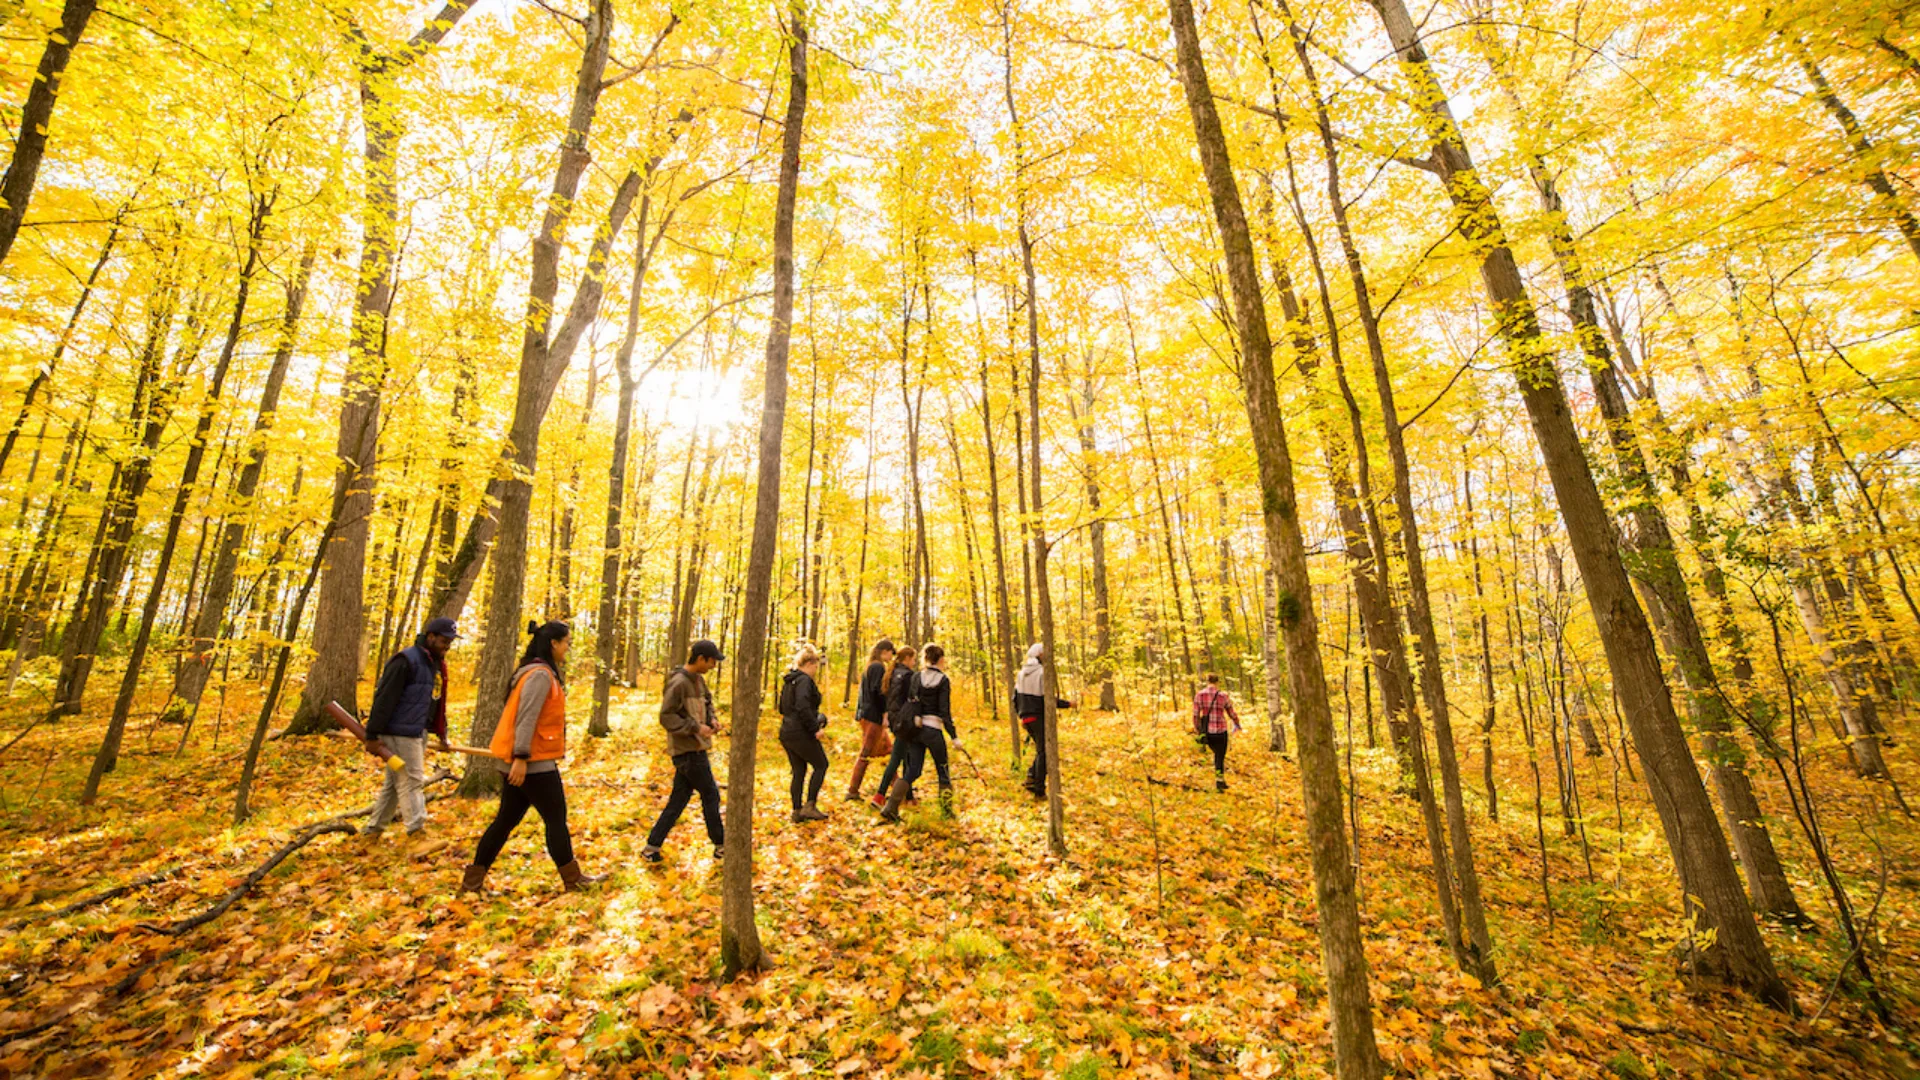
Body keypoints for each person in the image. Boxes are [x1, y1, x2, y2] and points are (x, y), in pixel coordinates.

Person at [462, 621, 602, 893]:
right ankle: (573, 880)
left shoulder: (537, 672)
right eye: (566, 643)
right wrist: (521, 758)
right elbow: (526, 718)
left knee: (505, 821)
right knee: (555, 819)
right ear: (553, 643)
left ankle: (472, 883)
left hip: (527, 760)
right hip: (533, 763)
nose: (567, 648)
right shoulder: (539, 675)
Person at [362, 616, 458, 846]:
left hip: (416, 732)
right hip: (399, 733)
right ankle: (416, 834)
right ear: (431, 637)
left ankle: (373, 831)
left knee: (395, 783)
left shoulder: (434, 664)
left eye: (451, 642)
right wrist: (372, 735)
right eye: (444, 641)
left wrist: (440, 733)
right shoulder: (406, 660)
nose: (448, 646)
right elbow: (384, 699)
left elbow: (434, 701)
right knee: (412, 780)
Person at [642, 639, 726, 863]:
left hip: (698, 748)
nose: (713, 666)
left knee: (678, 799)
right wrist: (695, 727)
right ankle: (721, 846)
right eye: (711, 662)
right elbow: (666, 716)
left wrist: (712, 720)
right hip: (686, 751)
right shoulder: (678, 683)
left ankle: (652, 846)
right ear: (700, 659)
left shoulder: (699, 681)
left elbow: (707, 703)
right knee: (711, 794)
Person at [882, 643, 958, 821]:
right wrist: (953, 736)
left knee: (913, 770)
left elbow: (911, 701)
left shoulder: (916, 677)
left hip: (916, 730)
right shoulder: (943, 680)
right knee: (943, 769)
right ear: (940, 659)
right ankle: (947, 812)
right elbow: (944, 711)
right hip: (933, 730)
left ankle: (891, 806)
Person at [779, 644, 831, 823]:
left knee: (799, 770)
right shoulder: (803, 681)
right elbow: (802, 706)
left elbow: (783, 708)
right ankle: (809, 806)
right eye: (815, 666)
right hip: (800, 732)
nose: (816, 670)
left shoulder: (788, 681)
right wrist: (815, 727)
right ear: (809, 663)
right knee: (821, 765)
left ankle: (796, 810)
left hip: (786, 731)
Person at [1015, 643, 1073, 798]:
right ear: (1039, 655)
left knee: (1042, 751)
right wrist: (1067, 704)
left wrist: (1021, 715)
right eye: (1044, 654)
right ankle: (1038, 788)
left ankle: (1031, 777)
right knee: (1045, 752)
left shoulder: (1021, 673)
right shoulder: (1042, 672)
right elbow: (1047, 700)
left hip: (1026, 717)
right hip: (1038, 717)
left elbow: (1015, 698)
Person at [845, 639, 895, 801]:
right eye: (890, 653)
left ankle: (900, 789)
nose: (891, 657)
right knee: (866, 753)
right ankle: (852, 791)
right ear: (884, 651)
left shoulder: (870, 666)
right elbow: (878, 692)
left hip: (868, 714)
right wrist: (884, 713)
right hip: (873, 716)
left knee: (888, 750)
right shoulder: (878, 667)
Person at [871, 645, 920, 809]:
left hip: (895, 720)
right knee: (898, 758)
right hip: (905, 722)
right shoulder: (908, 676)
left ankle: (908, 795)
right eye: (913, 659)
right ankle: (880, 794)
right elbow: (912, 699)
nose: (914, 662)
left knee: (905, 756)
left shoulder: (892, 674)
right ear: (907, 659)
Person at [1191, 673, 1243, 792]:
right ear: (1217, 682)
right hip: (1221, 731)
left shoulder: (1200, 695)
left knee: (1216, 755)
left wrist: (1198, 729)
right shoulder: (1223, 696)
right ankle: (1219, 781)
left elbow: (1195, 715)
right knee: (1220, 756)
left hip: (1207, 732)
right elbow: (1231, 713)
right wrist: (1237, 723)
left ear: (1207, 681)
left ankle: (1221, 781)